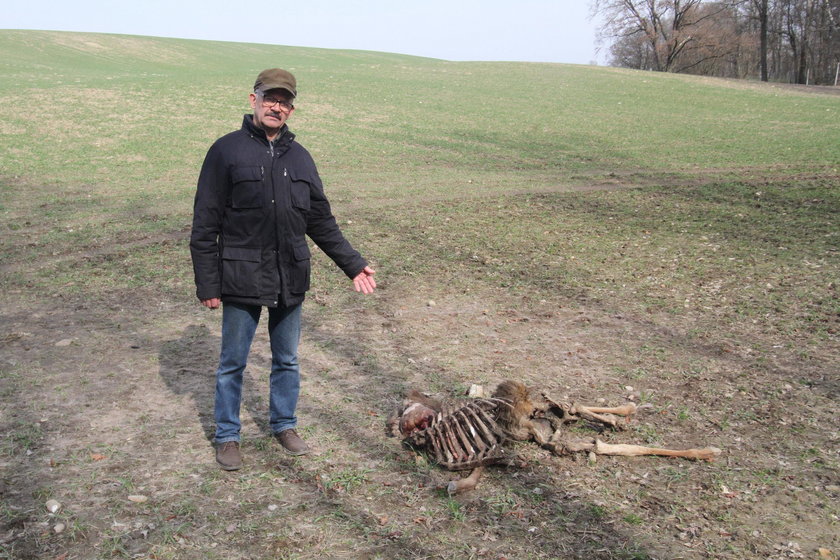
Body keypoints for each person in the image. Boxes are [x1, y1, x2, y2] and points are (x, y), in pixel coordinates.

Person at [190, 68, 376, 470]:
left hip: (290, 275)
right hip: (240, 275)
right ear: (252, 99)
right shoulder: (226, 151)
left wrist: (353, 263)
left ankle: (284, 425)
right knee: (232, 362)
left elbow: (321, 220)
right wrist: (208, 281)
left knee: (287, 360)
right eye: (270, 98)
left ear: (292, 108)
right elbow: (205, 222)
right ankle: (227, 435)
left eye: (285, 101)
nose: (277, 106)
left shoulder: (301, 157)